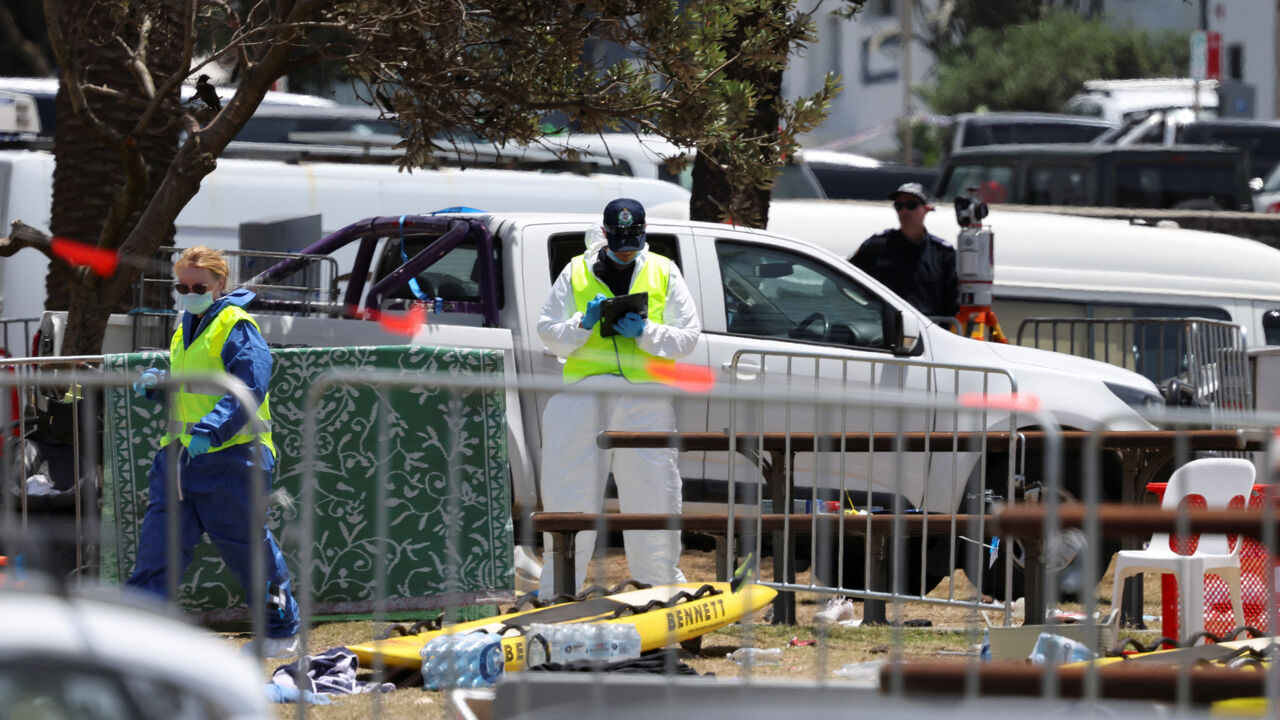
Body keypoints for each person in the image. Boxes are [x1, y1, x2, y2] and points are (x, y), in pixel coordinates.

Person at [127, 246, 300, 658]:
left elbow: (248, 387)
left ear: (220, 284)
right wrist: (160, 384)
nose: (188, 293)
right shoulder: (186, 323)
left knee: (252, 556)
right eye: (181, 286)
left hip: (233, 461)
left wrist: (211, 429)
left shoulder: (237, 326)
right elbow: (193, 390)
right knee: (157, 551)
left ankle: (280, 630)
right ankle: (132, 636)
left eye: (198, 286)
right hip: (181, 461)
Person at [536, 198, 701, 596]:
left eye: (635, 240)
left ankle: (659, 588)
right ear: (605, 234)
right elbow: (546, 331)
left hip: (645, 399)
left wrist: (645, 332)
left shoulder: (664, 270)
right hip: (583, 397)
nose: (628, 248)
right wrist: (582, 323)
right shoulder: (575, 270)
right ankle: (558, 591)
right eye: (620, 240)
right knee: (568, 494)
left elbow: (688, 337)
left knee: (653, 492)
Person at [850, 182, 959, 320]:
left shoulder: (943, 253)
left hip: (929, 331)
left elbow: (953, 301)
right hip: (885, 331)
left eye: (911, 205)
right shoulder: (876, 246)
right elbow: (848, 283)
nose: (904, 211)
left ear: (926, 209)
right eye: (899, 206)